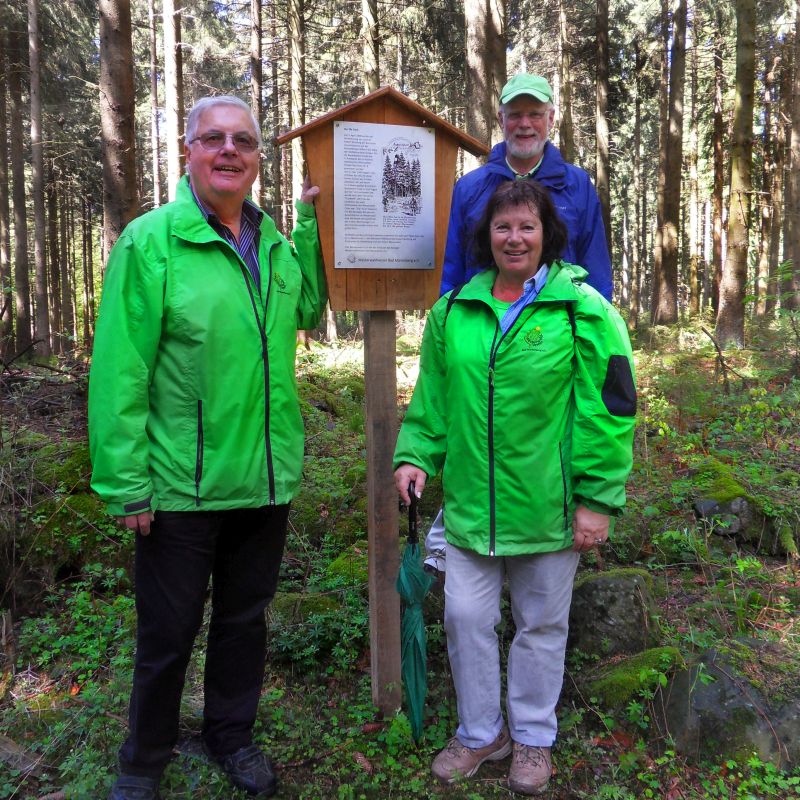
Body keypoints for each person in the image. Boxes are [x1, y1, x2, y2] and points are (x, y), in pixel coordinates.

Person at [88, 95, 327, 800]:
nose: (229, 151)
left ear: (258, 159)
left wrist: (311, 223)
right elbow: (119, 372)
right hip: (178, 486)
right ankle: (144, 760)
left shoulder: (276, 245)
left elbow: (308, 307)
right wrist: (126, 481)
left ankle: (231, 736)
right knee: (167, 633)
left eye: (244, 141)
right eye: (213, 138)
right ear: (188, 151)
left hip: (264, 477)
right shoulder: (151, 242)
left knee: (244, 623)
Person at [394, 180, 635, 795]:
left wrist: (596, 499)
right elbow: (433, 399)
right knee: (464, 619)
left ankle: (532, 738)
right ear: (487, 237)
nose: (514, 238)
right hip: (473, 506)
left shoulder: (580, 308)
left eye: (526, 226)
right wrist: (416, 454)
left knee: (540, 627)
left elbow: (608, 407)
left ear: (546, 233)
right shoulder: (454, 311)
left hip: (549, 510)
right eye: (503, 227)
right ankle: (481, 733)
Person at [425, 72, 612, 576]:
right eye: (515, 114)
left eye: (535, 113)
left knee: (553, 444)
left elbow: (596, 278)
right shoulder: (472, 188)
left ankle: (571, 514)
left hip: (554, 355)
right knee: (482, 436)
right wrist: (455, 338)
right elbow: (454, 276)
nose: (525, 123)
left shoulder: (576, 186)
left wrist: (598, 346)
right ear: (501, 120)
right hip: (485, 349)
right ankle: (469, 527)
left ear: (551, 119)